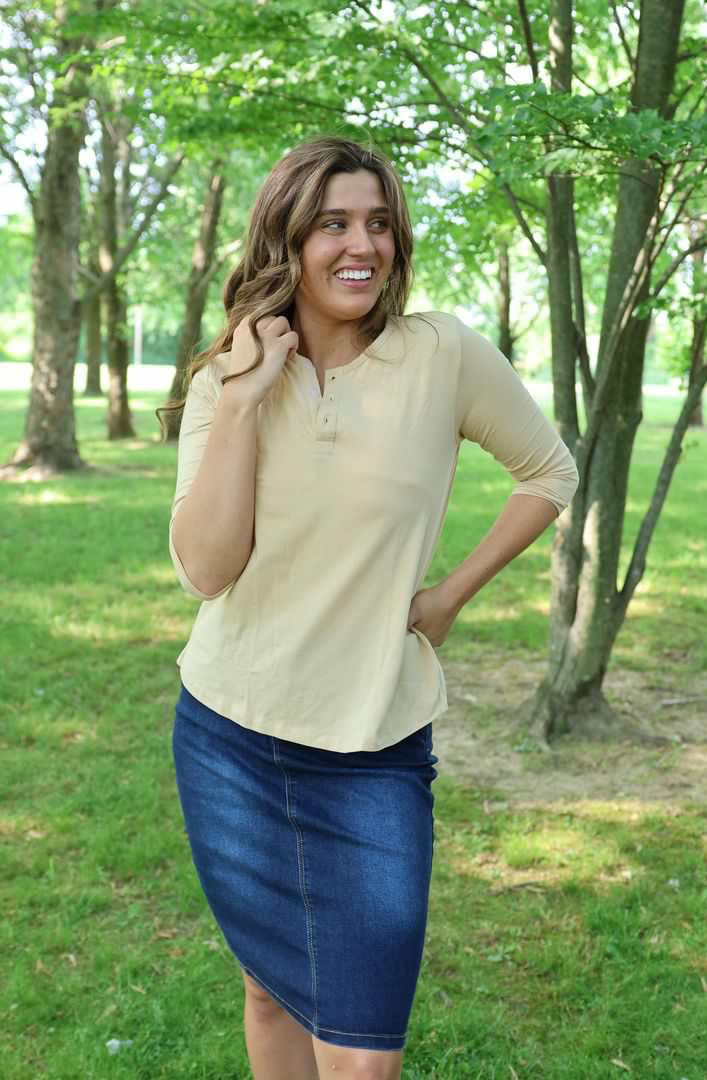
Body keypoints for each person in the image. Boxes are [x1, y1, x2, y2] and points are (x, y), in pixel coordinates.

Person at [162, 135, 578, 1080]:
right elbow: (207, 571)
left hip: (372, 749)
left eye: (379, 223)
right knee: (269, 988)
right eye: (335, 224)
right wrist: (241, 399)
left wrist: (448, 596)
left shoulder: (443, 355)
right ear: (289, 240)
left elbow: (548, 471)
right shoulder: (226, 378)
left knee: (363, 1055)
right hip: (230, 734)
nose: (363, 245)